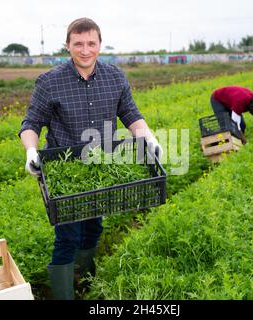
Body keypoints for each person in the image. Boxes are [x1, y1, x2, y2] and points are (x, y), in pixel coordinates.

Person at [18, 17, 163, 300]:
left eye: (91, 43)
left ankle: (86, 280)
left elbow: (130, 114)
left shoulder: (115, 77)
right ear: (68, 46)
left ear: (99, 44)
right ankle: (63, 294)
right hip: (66, 170)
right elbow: (31, 123)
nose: (85, 50)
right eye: (78, 44)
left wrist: (149, 137)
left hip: (101, 168)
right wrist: (31, 151)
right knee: (67, 236)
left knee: (94, 226)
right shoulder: (50, 82)